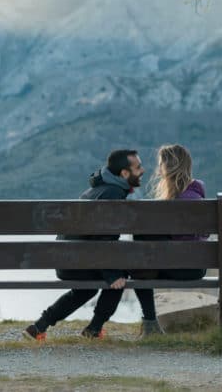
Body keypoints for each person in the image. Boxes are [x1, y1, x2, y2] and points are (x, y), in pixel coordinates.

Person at [23, 149, 146, 341]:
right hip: (80, 261)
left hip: (67, 262)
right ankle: (94, 329)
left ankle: (39, 327)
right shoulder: (112, 194)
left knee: (86, 289)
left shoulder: (98, 190)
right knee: (118, 279)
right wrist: (112, 275)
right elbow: (103, 239)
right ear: (124, 173)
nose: (143, 170)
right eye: (138, 167)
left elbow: (97, 239)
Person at [130, 144, 209, 336]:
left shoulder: (183, 200)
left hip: (184, 267)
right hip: (197, 267)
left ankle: (150, 323)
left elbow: (184, 239)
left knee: (139, 260)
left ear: (168, 167)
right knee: (142, 257)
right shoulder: (196, 194)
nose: (158, 170)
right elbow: (202, 235)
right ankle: (150, 324)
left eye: (161, 165)